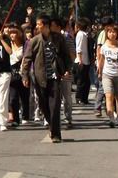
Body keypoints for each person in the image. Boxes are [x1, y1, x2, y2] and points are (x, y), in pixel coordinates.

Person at [21, 14, 72, 143]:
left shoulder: (58, 38)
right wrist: (25, 75)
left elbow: (66, 56)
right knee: (43, 105)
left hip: (55, 77)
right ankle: (50, 124)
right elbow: (27, 59)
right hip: (39, 78)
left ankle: (55, 134)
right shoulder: (35, 41)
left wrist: (67, 70)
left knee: (54, 106)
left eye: (39, 24)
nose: (37, 27)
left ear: (46, 25)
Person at [98, 24, 118, 127]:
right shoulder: (104, 47)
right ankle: (111, 118)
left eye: (114, 32)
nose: (112, 34)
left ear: (117, 33)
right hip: (107, 74)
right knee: (109, 96)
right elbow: (101, 60)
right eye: (109, 32)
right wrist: (99, 72)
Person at [52, 18, 75, 128]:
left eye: (52, 26)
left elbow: (72, 55)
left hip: (65, 71)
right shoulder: (48, 39)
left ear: (58, 27)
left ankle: (68, 117)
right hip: (52, 72)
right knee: (54, 96)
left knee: (66, 96)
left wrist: (68, 69)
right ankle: (54, 118)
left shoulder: (67, 38)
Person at [7, 24, 29, 125]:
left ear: (19, 34)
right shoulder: (8, 45)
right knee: (13, 98)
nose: (12, 35)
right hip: (11, 74)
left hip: (23, 74)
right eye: (10, 33)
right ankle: (15, 119)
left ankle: (25, 116)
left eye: (14, 32)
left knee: (24, 97)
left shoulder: (25, 45)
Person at [74, 18, 91, 104]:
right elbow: (79, 48)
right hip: (82, 61)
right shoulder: (80, 34)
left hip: (86, 60)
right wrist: (80, 60)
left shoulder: (84, 34)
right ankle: (79, 98)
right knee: (81, 81)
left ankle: (84, 98)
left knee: (86, 81)